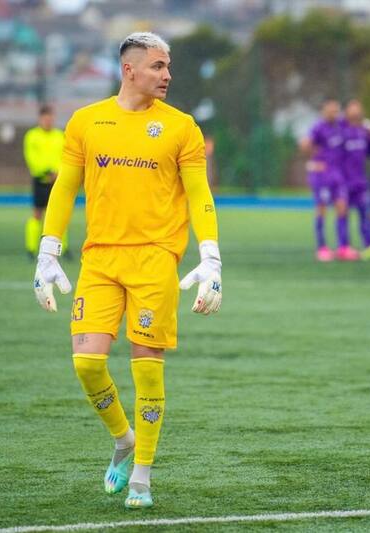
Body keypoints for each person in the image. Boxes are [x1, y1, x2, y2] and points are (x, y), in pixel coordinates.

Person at [32, 32, 223, 510]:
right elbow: (63, 189)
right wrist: (48, 251)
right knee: (87, 363)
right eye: (158, 66)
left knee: (148, 373)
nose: (167, 75)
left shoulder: (182, 128)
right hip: (99, 259)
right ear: (129, 70)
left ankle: (142, 475)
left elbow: (200, 194)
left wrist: (211, 256)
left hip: (156, 260)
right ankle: (123, 438)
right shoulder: (86, 122)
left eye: (169, 66)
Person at [301, 100, 357, 261]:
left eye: (336, 111)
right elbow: (305, 144)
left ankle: (343, 247)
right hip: (322, 176)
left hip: (338, 175)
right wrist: (313, 161)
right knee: (322, 210)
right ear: (324, 111)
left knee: (342, 208)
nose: (334, 113)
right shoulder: (318, 128)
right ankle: (322, 247)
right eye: (330, 111)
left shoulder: (340, 125)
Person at [23, 104, 66, 257]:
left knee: (57, 215)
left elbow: (66, 157)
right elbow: (31, 158)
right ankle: (31, 248)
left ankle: (62, 249)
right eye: (45, 118)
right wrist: (45, 171)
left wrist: (58, 172)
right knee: (37, 214)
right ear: (40, 119)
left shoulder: (60, 135)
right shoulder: (32, 136)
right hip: (40, 180)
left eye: (50, 118)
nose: (48, 121)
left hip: (57, 181)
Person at [341, 99, 370, 260]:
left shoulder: (364, 131)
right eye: (352, 108)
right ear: (347, 111)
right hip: (344, 180)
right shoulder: (341, 130)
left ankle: (369, 246)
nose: (356, 111)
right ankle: (344, 247)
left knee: (365, 214)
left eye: (358, 108)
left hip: (361, 181)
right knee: (343, 214)